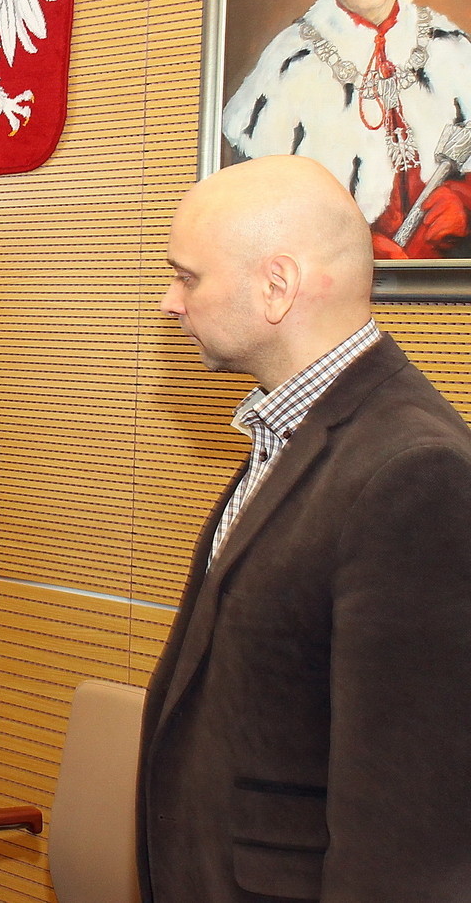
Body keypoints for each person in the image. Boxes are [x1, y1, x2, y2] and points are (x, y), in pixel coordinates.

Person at [140, 155, 471, 902]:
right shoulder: (290, 429)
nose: (169, 303)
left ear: (277, 286)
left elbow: (411, 832)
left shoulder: (414, 473)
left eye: (187, 278)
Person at [221, 0, 471, 259]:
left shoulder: (453, 47)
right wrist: (349, 245)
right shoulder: (290, 61)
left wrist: (463, 201)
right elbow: (259, 201)